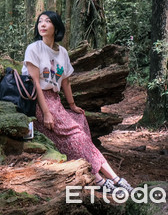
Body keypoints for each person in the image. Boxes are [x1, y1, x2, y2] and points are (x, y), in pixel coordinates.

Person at [21, 10, 134, 196]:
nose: (42, 24)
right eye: (40, 21)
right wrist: (47, 112)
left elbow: (65, 81)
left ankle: (99, 177)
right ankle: (110, 179)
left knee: (80, 124)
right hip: (39, 102)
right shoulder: (34, 49)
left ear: (56, 26)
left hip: (56, 102)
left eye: (47, 21)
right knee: (77, 136)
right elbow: (35, 84)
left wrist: (72, 105)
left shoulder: (62, 52)